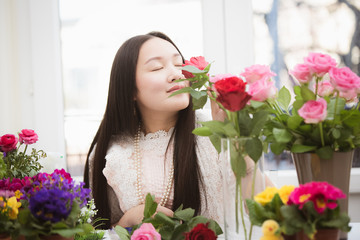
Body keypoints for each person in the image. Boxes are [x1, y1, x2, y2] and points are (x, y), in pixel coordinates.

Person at [83, 31, 269, 232]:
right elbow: (97, 231)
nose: (177, 74)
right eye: (157, 67)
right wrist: (126, 222)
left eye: (180, 65)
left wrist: (233, 139)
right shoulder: (113, 155)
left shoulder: (213, 130)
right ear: (129, 90)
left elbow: (267, 212)